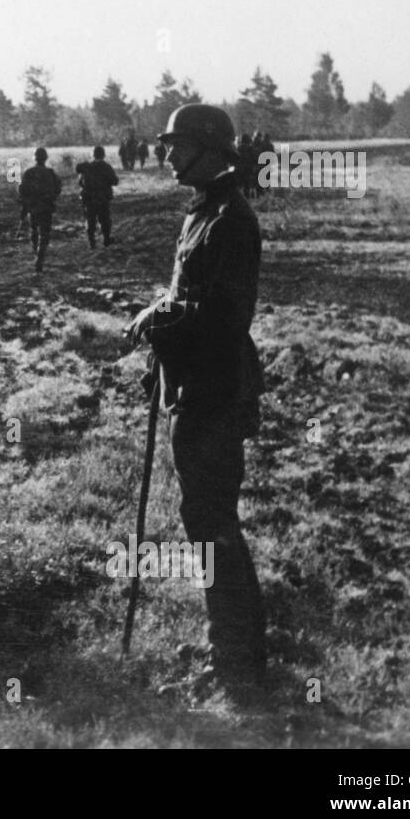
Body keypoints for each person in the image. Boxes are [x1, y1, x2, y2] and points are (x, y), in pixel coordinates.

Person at [125, 103, 267, 696]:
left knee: (212, 525)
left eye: (177, 144)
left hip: (213, 392)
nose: (167, 154)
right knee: (205, 520)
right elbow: (192, 293)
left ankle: (239, 668)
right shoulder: (201, 214)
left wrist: (165, 316)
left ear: (211, 149)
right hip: (192, 384)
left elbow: (227, 316)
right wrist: (164, 340)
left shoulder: (232, 219)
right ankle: (231, 651)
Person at [17, 147, 63, 272]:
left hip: (33, 207)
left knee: (34, 230)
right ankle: (40, 257)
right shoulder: (51, 173)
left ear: (35, 158)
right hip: (46, 207)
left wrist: (26, 203)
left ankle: (36, 254)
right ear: (45, 158)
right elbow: (58, 189)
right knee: (44, 233)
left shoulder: (29, 172)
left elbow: (21, 190)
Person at [76, 145, 118, 248]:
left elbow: (80, 182)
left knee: (90, 220)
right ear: (103, 155)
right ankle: (106, 240)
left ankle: (92, 242)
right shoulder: (107, 167)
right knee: (105, 219)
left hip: (89, 198)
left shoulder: (86, 167)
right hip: (102, 197)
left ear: (93, 155)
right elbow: (115, 181)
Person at [236, 132, 257, 198]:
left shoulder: (238, 148)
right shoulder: (250, 148)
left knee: (239, 186)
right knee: (247, 186)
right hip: (248, 170)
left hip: (239, 169)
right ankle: (247, 198)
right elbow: (255, 159)